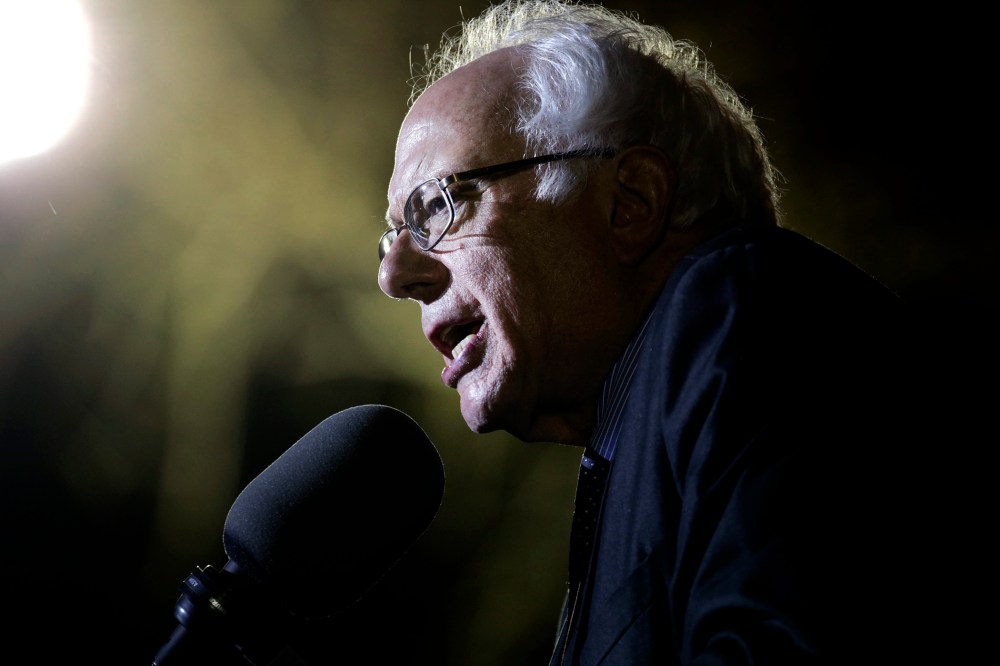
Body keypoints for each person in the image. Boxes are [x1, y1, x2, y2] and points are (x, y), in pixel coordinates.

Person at [376, 1, 967, 663]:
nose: (395, 275)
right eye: (390, 238)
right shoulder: (635, 443)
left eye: (436, 207)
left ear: (631, 203)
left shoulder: (743, 307)